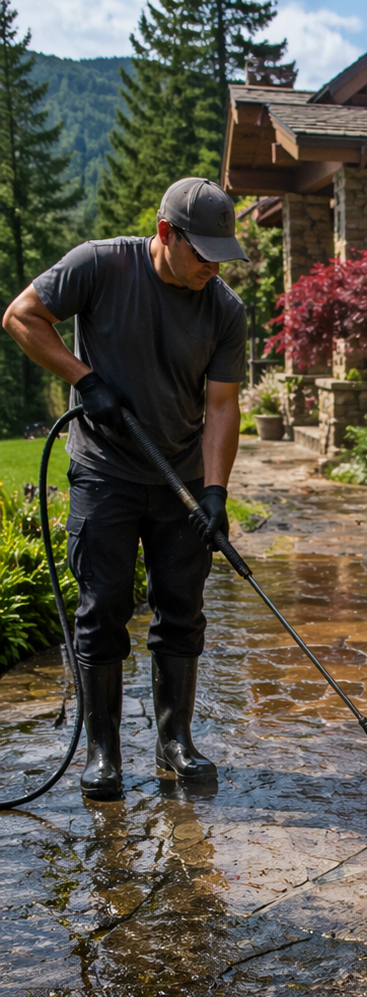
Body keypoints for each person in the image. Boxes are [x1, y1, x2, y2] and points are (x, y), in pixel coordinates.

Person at [3, 177, 248, 799]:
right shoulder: (99, 265)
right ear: (167, 234)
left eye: (223, 255)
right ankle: (104, 753)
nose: (213, 269)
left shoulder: (224, 309)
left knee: (181, 611)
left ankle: (175, 743)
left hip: (181, 480)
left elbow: (221, 406)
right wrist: (86, 381)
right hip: (104, 472)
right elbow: (21, 316)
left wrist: (214, 494)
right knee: (103, 607)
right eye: (203, 254)